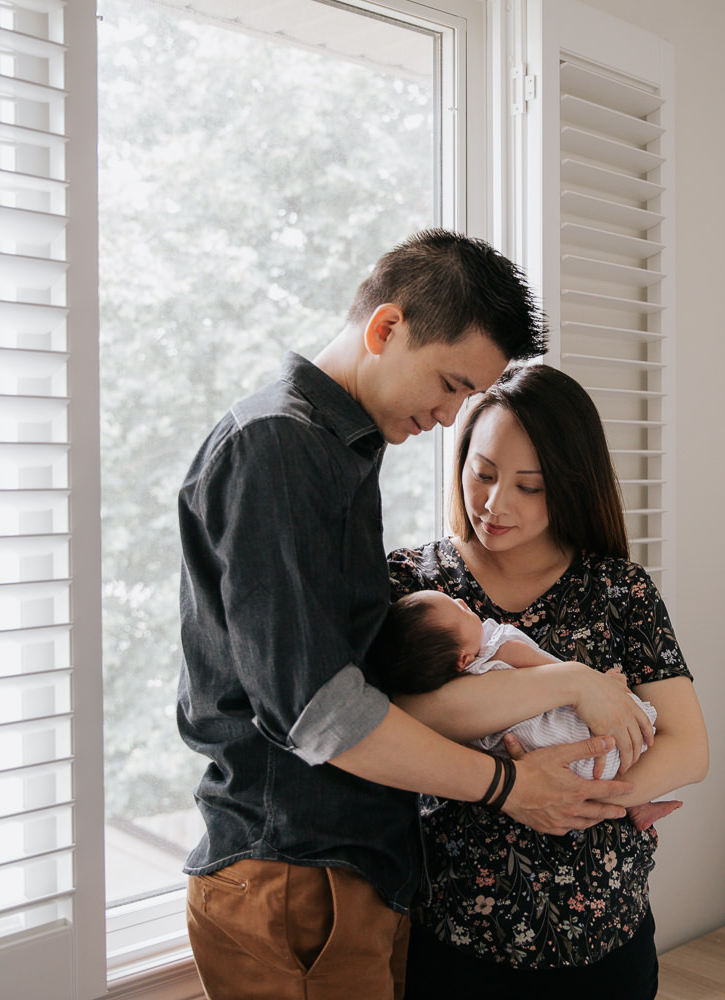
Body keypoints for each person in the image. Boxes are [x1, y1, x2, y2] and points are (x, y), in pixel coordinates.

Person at [175, 230, 653, 1000]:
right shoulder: (278, 449)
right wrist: (507, 786)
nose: (453, 412)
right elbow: (322, 713)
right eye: (453, 383)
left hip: (348, 866)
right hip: (294, 868)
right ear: (386, 328)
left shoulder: (343, 453)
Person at [387, 363, 710, 1000]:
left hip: (607, 939)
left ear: (569, 485)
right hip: (458, 940)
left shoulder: (620, 590)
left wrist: (580, 800)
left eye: (528, 486)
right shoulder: (417, 586)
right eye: (482, 473)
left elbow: (689, 747)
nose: (494, 503)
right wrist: (571, 682)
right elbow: (406, 716)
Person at [365, 589, 659, 782]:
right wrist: (596, 683)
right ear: (463, 658)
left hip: (566, 765)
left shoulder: (456, 688)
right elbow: (557, 671)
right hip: (594, 745)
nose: (463, 602)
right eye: (461, 612)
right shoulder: (500, 646)